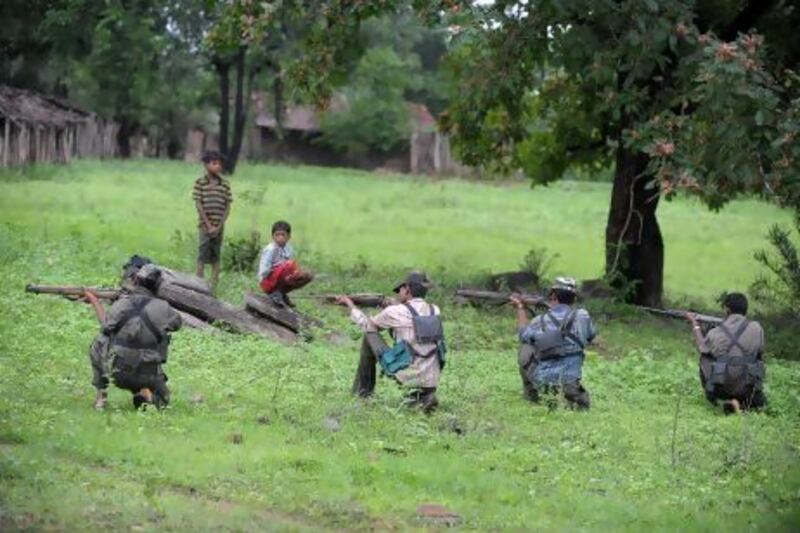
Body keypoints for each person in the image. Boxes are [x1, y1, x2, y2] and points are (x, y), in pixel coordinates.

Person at [335, 272, 446, 413]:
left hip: (408, 375)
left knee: (369, 335)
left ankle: (362, 394)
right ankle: (423, 398)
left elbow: (367, 325)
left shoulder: (394, 311)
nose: (398, 294)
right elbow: (414, 314)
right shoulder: (435, 310)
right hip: (432, 380)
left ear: (407, 289)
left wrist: (350, 305)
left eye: (400, 290)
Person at [86, 260, 183, 410]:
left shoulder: (122, 304)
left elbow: (106, 327)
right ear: (158, 285)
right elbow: (176, 324)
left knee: (101, 340)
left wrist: (94, 300)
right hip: (149, 375)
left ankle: (101, 395)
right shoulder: (164, 308)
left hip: (119, 375)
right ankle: (146, 393)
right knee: (163, 399)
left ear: (136, 280)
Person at [511, 277, 595, 410]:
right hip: (571, 382)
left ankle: (532, 396)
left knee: (526, 348)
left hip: (544, 383)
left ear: (553, 296)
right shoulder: (583, 316)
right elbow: (590, 336)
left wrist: (520, 307)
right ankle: (571, 397)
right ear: (574, 299)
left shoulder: (539, 321)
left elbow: (523, 335)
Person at [686, 292, 766, 414]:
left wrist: (695, 324)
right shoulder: (757, 328)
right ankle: (744, 403)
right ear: (745, 309)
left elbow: (702, 346)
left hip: (722, 390)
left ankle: (718, 398)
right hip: (749, 389)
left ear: (727, 309)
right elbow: (760, 352)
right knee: (757, 357)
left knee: (705, 356)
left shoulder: (716, 332)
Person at [193, 150, 232, 294]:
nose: (218, 166)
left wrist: (219, 226)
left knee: (216, 256)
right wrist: (209, 225)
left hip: (219, 227)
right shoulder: (200, 183)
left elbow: (228, 206)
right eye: (214, 163)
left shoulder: (225, 184)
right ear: (206, 165)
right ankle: (198, 286)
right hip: (205, 227)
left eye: (220, 164)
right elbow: (198, 204)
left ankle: (213, 287)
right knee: (202, 255)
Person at [257, 220, 313, 307]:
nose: (280, 237)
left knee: (306, 275)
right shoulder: (270, 249)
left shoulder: (288, 248)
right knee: (289, 265)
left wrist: (294, 274)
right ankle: (275, 292)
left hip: (282, 276)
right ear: (273, 236)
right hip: (268, 281)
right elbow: (264, 271)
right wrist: (279, 273)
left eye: (283, 235)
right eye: (277, 235)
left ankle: (281, 293)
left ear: (289, 237)